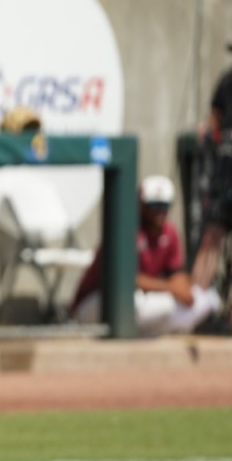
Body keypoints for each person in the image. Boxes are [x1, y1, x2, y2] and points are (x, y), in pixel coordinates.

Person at [72, 175, 222, 335]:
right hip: (96, 303)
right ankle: (151, 330)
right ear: (142, 206)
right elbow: (126, 280)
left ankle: (154, 331)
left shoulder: (169, 232)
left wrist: (183, 287)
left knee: (205, 299)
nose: (160, 212)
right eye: (154, 206)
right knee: (149, 303)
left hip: (147, 301)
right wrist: (171, 288)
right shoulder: (126, 228)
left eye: (164, 206)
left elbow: (175, 273)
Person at [190, 58, 232, 307]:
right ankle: (193, 309)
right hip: (225, 175)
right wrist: (209, 129)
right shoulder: (227, 80)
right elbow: (216, 118)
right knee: (211, 238)